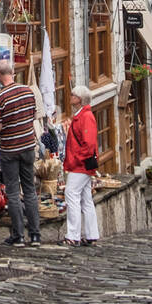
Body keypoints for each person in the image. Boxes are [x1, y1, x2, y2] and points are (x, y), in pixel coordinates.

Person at [0, 60, 41, 248]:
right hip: (28, 146)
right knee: (30, 190)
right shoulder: (28, 91)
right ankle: (35, 235)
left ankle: (18, 236)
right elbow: (33, 116)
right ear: (12, 72)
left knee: (12, 192)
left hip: (10, 149)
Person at [63, 85, 100, 247]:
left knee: (71, 194)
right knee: (86, 199)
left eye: (73, 95)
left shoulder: (85, 117)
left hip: (80, 165)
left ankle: (73, 235)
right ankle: (91, 234)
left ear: (79, 100)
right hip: (81, 164)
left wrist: (78, 158)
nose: (70, 97)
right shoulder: (80, 116)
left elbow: (89, 143)